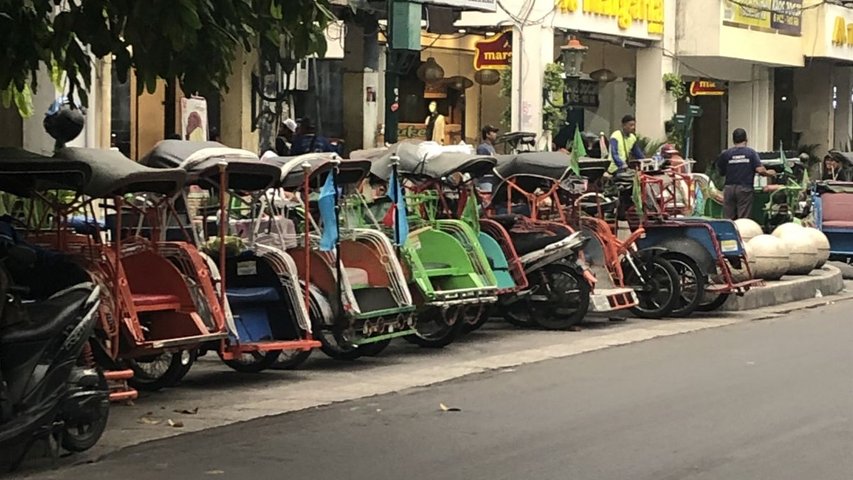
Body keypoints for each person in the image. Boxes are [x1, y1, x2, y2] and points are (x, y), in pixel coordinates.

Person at [716, 128, 775, 220]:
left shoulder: (726, 154)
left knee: (728, 219)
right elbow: (760, 170)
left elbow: (721, 171)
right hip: (744, 189)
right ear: (746, 139)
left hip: (729, 189)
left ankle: (729, 229)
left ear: (733, 140)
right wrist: (770, 173)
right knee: (743, 219)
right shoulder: (751, 153)